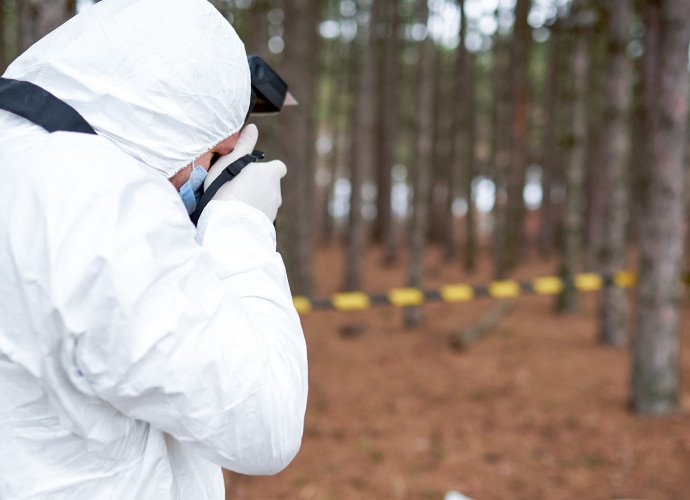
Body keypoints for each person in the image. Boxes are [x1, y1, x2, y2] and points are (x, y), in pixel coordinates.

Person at [0, 0, 308, 498]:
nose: (213, 173)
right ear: (169, 127)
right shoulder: (106, 206)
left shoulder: (26, 162)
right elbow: (265, 423)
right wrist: (240, 228)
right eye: (215, 154)